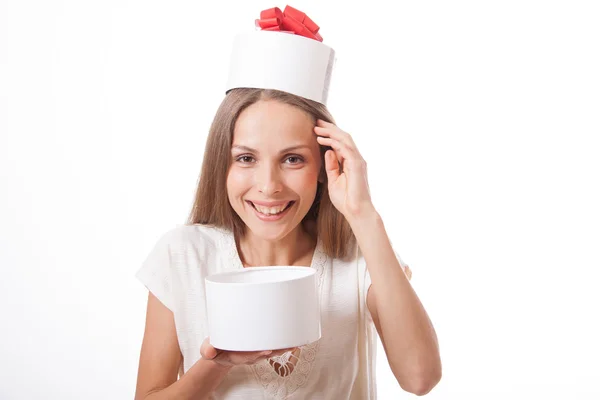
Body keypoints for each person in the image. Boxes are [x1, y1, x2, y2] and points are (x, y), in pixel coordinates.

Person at [134, 6, 441, 400]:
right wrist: (218, 363)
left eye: (292, 159)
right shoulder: (183, 255)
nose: (269, 186)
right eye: (246, 158)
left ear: (323, 165)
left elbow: (421, 379)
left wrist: (363, 215)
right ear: (221, 165)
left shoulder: (358, 261)